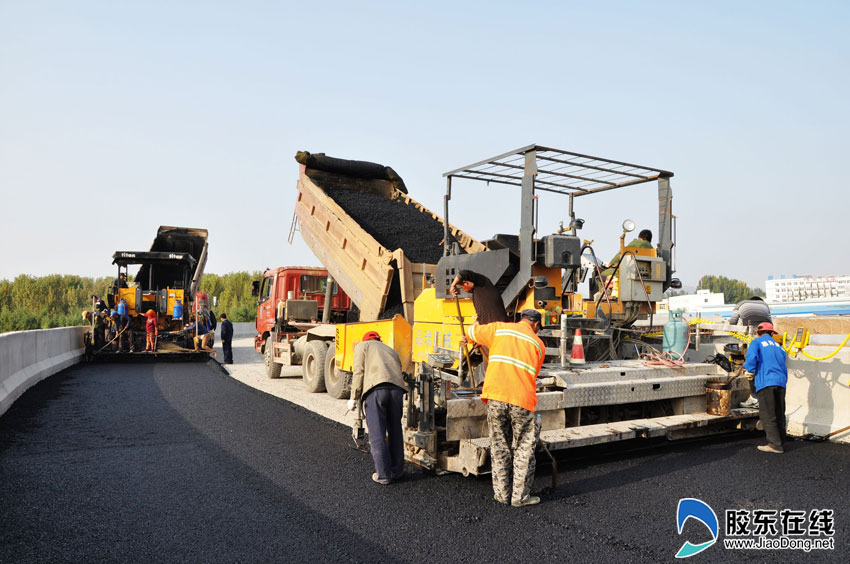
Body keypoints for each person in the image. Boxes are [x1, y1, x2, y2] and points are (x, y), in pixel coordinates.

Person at [464, 309, 546, 507]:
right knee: (524, 447)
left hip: (496, 397)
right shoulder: (538, 343)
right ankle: (520, 498)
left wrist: (477, 319)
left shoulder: (498, 329)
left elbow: (471, 332)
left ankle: (501, 494)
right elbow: (534, 374)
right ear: (535, 325)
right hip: (521, 399)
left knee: (499, 445)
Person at [347, 331, 407, 485]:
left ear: (366, 340)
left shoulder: (362, 346)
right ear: (379, 340)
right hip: (397, 392)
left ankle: (383, 475)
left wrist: (354, 397)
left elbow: (358, 372)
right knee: (395, 431)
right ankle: (397, 471)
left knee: (377, 433)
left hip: (376, 391)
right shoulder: (390, 350)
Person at [743, 322, 788, 454]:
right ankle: (781, 442)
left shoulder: (756, 342)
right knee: (779, 413)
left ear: (758, 333)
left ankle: (774, 445)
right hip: (781, 382)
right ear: (772, 333)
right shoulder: (779, 346)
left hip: (766, 381)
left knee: (768, 414)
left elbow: (751, 358)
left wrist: (750, 370)